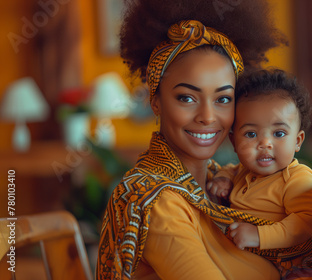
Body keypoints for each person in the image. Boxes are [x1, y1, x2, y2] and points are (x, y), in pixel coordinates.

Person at [96, 1, 287, 279]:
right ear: (156, 102)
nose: (208, 117)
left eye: (223, 99)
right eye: (187, 98)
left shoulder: (217, 185)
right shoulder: (158, 201)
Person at [207, 69, 312, 279]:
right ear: (234, 142)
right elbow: (231, 169)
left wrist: (259, 235)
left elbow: (306, 222)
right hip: (253, 259)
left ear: (297, 141)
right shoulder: (242, 172)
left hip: (297, 262)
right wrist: (222, 178)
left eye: (279, 133)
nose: (265, 144)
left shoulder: (297, 178)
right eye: (251, 134)